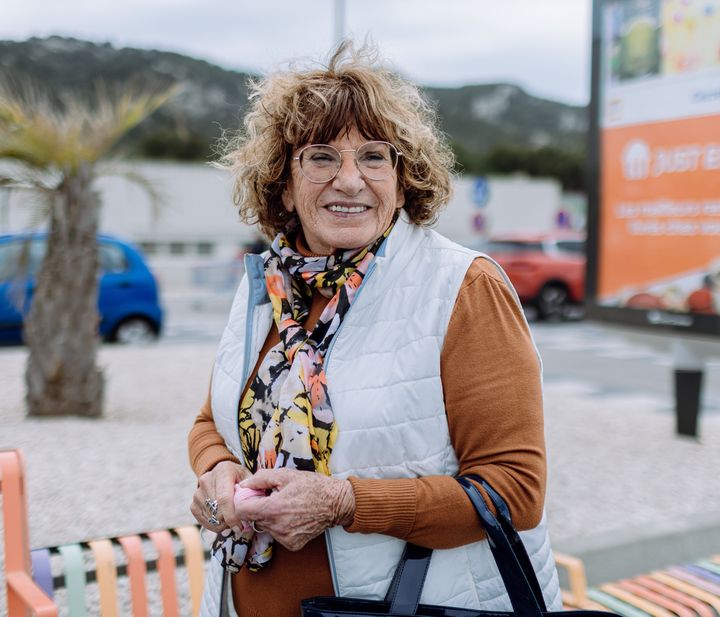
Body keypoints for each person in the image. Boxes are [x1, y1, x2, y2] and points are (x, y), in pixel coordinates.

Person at [188, 41, 561, 617]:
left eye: (373, 157)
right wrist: (218, 474)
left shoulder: (463, 286)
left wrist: (341, 501)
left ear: (403, 177)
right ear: (283, 183)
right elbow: (211, 420)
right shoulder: (266, 283)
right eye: (320, 157)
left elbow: (514, 490)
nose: (349, 180)